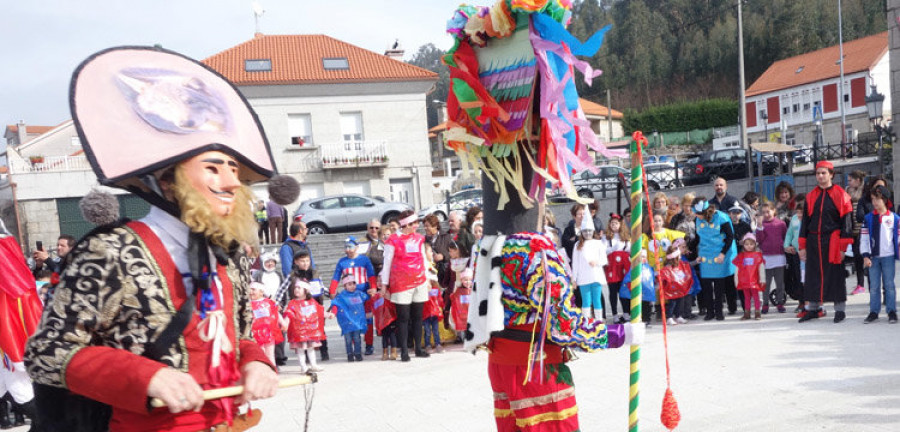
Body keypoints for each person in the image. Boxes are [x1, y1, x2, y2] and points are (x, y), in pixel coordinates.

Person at [26, 47, 282, 430]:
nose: (231, 182)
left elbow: (238, 335)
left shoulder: (230, 255)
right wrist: (145, 376)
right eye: (213, 169)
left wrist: (256, 360)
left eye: (233, 170)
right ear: (167, 182)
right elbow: (47, 352)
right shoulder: (109, 250)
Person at [799, 161, 854, 323]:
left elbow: (847, 223)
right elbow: (805, 223)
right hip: (813, 240)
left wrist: (843, 247)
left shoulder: (841, 195)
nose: (820, 176)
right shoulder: (811, 196)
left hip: (833, 241)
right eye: (818, 173)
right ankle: (814, 309)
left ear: (831, 174)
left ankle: (839, 310)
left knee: (835, 275)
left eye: (824, 173)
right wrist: (802, 246)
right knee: (813, 275)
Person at [380, 210, 430, 362]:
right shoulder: (393, 240)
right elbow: (387, 263)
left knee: (418, 317)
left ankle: (418, 348)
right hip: (401, 283)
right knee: (403, 318)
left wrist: (427, 279)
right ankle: (404, 351)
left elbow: (423, 259)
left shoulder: (419, 238)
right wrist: (384, 285)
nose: (417, 226)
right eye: (414, 223)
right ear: (406, 224)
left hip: (419, 281)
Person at [691, 197, 737, 321]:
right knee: (706, 286)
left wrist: (723, 254)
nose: (695, 215)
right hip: (705, 255)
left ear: (705, 212)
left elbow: (730, 237)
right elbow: (697, 238)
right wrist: (689, 248)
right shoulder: (697, 220)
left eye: (698, 213)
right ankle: (709, 312)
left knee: (718, 287)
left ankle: (719, 312)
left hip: (719, 254)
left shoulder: (721, 217)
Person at [329, 236, 377, 355]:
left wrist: (373, 287)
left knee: (368, 318)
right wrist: (332, 290)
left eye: (350, 247)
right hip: (349, 296)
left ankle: (369, 344)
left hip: (363, 292)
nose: (348, 250)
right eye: (346, 247)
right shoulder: (342, 261)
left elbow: (371, 275)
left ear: (356, 247)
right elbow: (336, 276)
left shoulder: (364, 259)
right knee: (352, 319)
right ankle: (356, 347)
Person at [860, 185, 899, 324]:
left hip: (888, 256)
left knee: (889, 285)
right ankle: (874, 311)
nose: (875, 202)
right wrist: (865, 255)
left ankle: (892, 311)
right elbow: (864, 238)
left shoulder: (894, 218)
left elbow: (898, 238)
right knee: (874, 286)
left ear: (885, 200)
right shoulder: (868, 218)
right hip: (873, 257)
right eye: (873, 199)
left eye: (878, 199)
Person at [283, 280, 326, 372]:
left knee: (311, 349)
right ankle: (303, 367)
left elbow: (319, 310)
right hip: (299, 332)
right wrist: (286, 322)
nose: (296, 289)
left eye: (299, 288)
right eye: (295, 287)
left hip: (311, 331)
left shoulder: (311, 301)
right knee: (300, 350)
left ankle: (313, 365)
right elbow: (289, 313)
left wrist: (327, 314)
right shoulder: (292, 303)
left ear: (306, 290)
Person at [330, 274, 375, 362]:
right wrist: (333, 313)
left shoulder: (359, 294)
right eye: (349, 284)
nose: (352, 286)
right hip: (347, 323)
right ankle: (350, 354)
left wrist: (373, 295)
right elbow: (335, 304)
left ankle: (358, 353)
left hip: (357, 322)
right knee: (348, 340)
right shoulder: (341, 296)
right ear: (345, 286)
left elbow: (368, 299)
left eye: (354, 284)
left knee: (357, 338)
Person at [755, 202, 788, 313]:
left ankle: (780, 302)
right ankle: (765, 304)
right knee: (766, 283)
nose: (766, 214)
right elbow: (759, 240)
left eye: (768, 211)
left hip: (779, 257)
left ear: (774, 211)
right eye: (763, 212)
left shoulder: (781, 224)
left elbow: (785, 237)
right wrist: (759, 227)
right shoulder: (761, 225)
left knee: (780, 283)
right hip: (766, 258)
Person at [249, 282, 285, 366]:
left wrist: (283, 323)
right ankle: (263, 371)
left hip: (269, 333)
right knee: (261, 354)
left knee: (270, 354)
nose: (250, 291)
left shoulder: (269, 302)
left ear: (261, 292)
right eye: (249, 289)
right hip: (256, 334)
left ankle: (272, 370)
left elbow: (276, 313)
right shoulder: (248, 304)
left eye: (253, 289)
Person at [602, 213, 630, 323]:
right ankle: (614, 314)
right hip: (612, 267)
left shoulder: (625, 237)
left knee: (623, 290)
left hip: (623, 267)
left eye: (616, 223)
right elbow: (603, 250)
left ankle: (626, 313)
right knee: (613, 291)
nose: (614, 225)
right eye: (612, 223)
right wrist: (613, 249)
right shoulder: (606, 237)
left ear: (620, 224)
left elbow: (629, 250)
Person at [733, 234, 766, 320]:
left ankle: (757, 312)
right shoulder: (741, 256)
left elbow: (761, 268)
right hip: (744, 281)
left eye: (751, 244)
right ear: (743, 245)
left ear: (755, 244)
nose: (749, 246)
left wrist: (762, 279)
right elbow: (737, 269)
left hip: (754, 281)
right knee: (746, 298)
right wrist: (736, 279)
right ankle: (747, 313)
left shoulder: (758, 255)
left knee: (756, 297)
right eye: (746, 244)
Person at [659, 243, 693, 325]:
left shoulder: (680, 264)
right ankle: (669, 317)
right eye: (679, 256)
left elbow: (686, 268)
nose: (680, 257)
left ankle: (678, 316)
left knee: (680, 303)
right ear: (675, 257)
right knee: (672, 304)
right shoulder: (668, 266)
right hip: (672, 289)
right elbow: (664, 276)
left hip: (680, 288)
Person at [784, 198, 806, 314]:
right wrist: (786, 246)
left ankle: (812, 302)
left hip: (807, 254)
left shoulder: (810, 219)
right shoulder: (793, 219)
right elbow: (789, 234)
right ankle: (801, 302)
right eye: (797, 212)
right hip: (795, 253)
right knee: (798, 279)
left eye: (802, 212)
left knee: (807, 279)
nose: (799, 215)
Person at [846, 171, 867, 296]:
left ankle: (863, 283)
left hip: (862, 229)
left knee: (861, 256)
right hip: (852, 228)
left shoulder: (865, 191)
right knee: (856, 258)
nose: (848, 182)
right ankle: (860, 284)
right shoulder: (847, 191)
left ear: (858, 180)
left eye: (850, 180)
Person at [423, 243, 445, 353]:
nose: (432, 253)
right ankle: (427, 345)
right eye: (430, 251)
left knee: (435, 328)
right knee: (427, 329)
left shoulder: (431, 265)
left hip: (434, 305)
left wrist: (441, 304)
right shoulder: (423, 265)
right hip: (426, 305)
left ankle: (438, 344)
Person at [450, 268, 473, 341]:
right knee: (463, 327)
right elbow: (454, 298)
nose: (468, 282)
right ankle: (461, 337)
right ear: (461, 280)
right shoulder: (459, 290)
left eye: (469, 280)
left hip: (471, 313)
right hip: (462, 313)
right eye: (465, 280)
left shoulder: (473, 290)